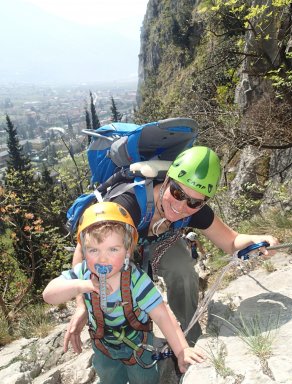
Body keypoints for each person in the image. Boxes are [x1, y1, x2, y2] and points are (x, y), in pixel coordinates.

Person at [65, 146, 279, 352]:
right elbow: (84, 251)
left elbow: (231, 242)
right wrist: (82, 304)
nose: (181, 206)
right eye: (177, 192)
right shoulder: (127, 205)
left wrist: (258, 239)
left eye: (194, 203)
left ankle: (190, 336)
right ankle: (131, 337)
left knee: (183, 271)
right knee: (120, 283)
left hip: (161, 241)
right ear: (167, 180)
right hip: (118, 247)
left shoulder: (195, 209)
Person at [43, 202, 204, 384]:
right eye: (93, 250)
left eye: (113, 249)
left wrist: (182, 350)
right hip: (103, 344)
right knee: (108, 378)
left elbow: (163, 316)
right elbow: (49, 295)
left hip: (137, 343)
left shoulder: (135, 280)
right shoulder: (83, 273)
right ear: (84, 251)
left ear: (127, 251)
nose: (103, 259)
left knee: (144, 379)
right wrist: (81, 286)